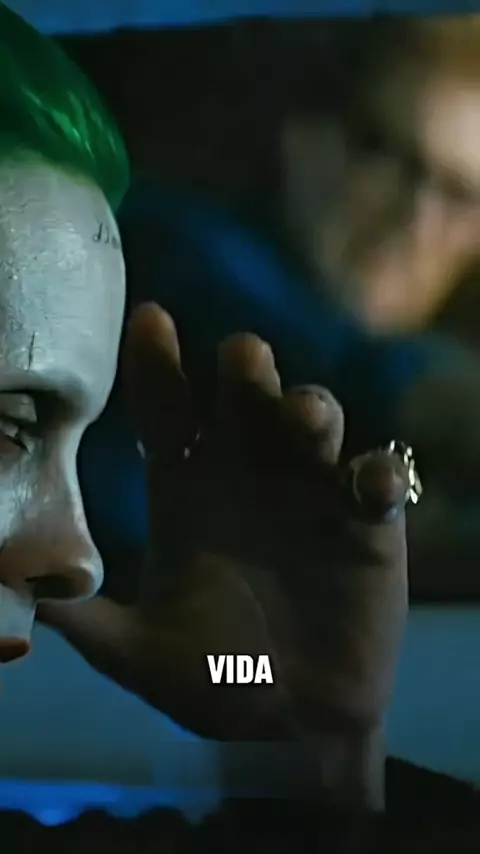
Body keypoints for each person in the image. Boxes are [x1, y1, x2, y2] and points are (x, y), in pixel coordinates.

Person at [0, 5, 477, 849]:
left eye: (462, 197)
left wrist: (307, 741)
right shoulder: (150, 247)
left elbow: (259, 680)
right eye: (393, 159)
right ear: (305, 137)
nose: (418, 218)